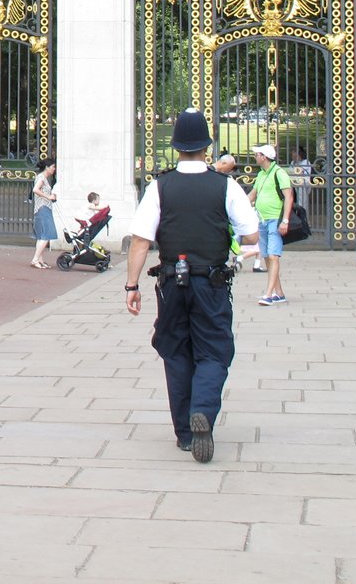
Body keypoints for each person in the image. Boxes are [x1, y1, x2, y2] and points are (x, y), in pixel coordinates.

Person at [125, 107, 259, 463]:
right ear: (206, 146)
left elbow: (140, 241)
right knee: (214, 350)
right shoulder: (225, 185)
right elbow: (251, 234)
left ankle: (185, 433)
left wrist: (131, 286)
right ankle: (203, 410)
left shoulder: (160, 186)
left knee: (175, 350)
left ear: (177, 146)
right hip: (211, 282)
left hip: (171, 281)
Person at [246, 144, 293, 306]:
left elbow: (289, 197)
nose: (255, 157)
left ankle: (268, 294)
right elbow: (252, 195)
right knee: (266, 256)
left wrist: (285, 220)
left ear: (264, 157)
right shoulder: (261, 174)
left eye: (257, 154)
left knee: (273, 256)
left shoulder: (279, 173)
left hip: (276, 219)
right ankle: (279, 293)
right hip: (263, 220)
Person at [29, 158, 58, 269]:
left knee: (41, 236)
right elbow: (35, 190)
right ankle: (35, 259)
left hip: (42, 208)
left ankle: (39, 260)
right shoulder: (41, 178)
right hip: (43, 208)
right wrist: (48, 197)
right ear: (47, 167)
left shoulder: (43, 178)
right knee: (46, 235)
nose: (54, 169)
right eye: (52, 167)